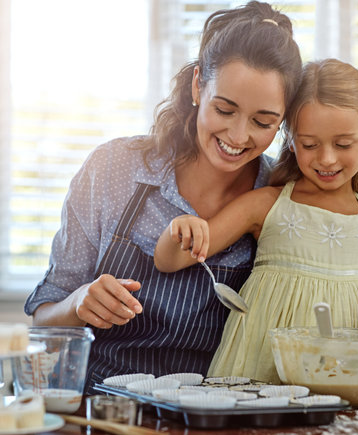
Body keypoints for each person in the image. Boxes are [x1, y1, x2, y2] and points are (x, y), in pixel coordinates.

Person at [24, 1, 303, 394]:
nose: (239, 137)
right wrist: (78, 303)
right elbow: (44, 321)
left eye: (263, 122)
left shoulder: (282, 195)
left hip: (219, 418)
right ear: (196, 86)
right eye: (224, 109)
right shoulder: (113, 168)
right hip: (104, 409)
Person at [154, 58, 358, 393]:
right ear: (290, 139)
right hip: (258, 376)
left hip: (348, 382)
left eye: (342, 144)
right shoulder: (266, 204)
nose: (326, 159)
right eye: (310, 144)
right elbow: (169, 260)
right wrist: (181, 229)